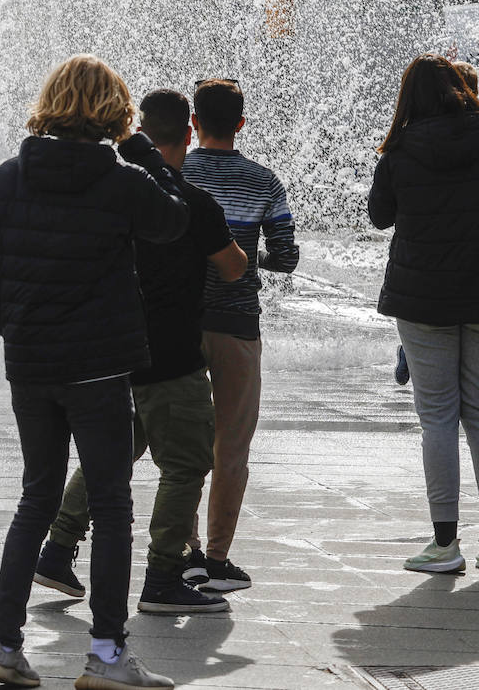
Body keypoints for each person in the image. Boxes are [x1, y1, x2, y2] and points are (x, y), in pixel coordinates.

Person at [0, 55, 188, 690]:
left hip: (32, 368)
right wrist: (143, 154)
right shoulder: (122, 179)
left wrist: (26, 332)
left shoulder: (8, 178)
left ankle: (3, 645)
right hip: (97, 370)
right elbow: (176, 223)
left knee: (37, 497)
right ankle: (107, 656)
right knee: (113, 503)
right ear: (115, 113)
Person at [33, 89, 248, 616]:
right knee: (186, 465)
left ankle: (57, 550)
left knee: (113, 451)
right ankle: (163, 579)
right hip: (172, 356)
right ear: (187, 136)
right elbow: (234, 266)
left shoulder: (113, 195)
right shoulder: (191, 203)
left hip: (115, 350)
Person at [368, 53, 479, 574]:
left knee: (438, 418)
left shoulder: (398, 151)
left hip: (424, 303)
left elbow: (379, 216)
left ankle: (445, 545)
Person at [180, 79, 299, 593]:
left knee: (179, 444)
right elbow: (287, 258)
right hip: (237, 323)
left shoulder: (173, 172)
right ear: (242, 124)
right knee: (231, 445)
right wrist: (250, 258)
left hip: (176, 326)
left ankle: (180, 552)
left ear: (194, 124)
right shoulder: (263, 181)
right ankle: (217, 559)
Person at [393, 60, 479, 387]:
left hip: (426, 280)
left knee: (437, 406)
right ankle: (410, 351)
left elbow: (380, 214)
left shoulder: (406, 146)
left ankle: (409, 351)